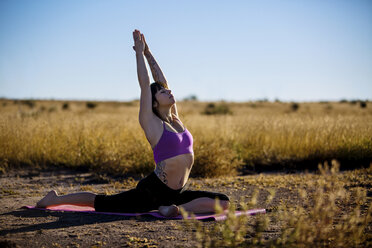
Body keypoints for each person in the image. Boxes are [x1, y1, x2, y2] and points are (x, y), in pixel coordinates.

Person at [36, 29, 230, 217]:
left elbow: (161, 81)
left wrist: (149, 53)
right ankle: (54, 199)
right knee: (103, 202)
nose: (169, 92)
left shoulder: (176, 119)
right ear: (154, 102)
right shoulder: (151, 122)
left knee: (223, 202)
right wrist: (138, 53)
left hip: (176, 193)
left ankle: (170, 208)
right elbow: (145, 84)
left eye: (168, 91)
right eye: (163, 92)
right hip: (152, 191)